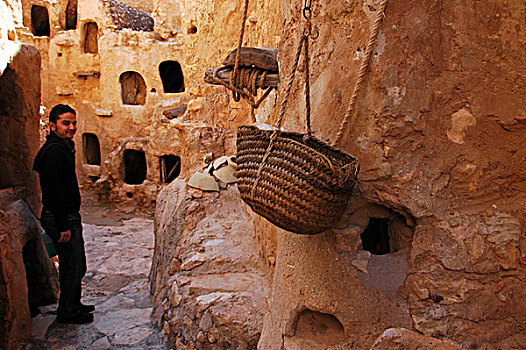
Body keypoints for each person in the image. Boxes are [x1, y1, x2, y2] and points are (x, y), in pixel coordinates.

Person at [33, 104, 94, 324]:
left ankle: (73, 304)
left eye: (73, 123)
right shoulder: (54, 153)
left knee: (75, 263)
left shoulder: (62, 146)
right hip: (61, 217)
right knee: (73, 264)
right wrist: (62, 226)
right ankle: (68, 312)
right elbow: (53, 192)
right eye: (65, 123)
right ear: (52, 125)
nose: (71, 128)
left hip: (66, 216)